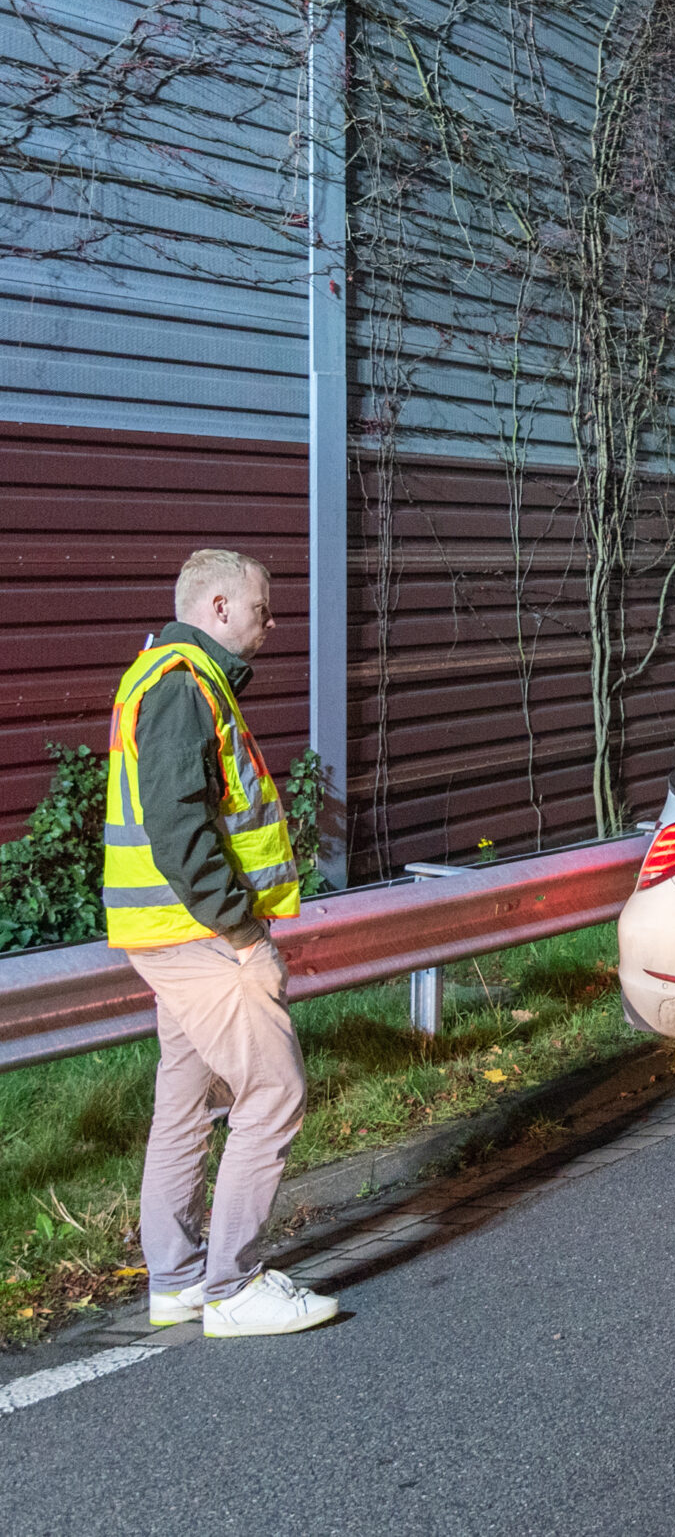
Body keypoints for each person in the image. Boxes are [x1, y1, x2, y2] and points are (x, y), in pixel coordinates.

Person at [107, 550, 339, 1337]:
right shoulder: (182, 685)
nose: (272, 624)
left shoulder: (167, 675)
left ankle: (174, 1280)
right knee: (274, 1092)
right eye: (263, 611)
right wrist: (245, 932)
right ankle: (232, 1288)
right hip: (201, 935)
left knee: (185, 1102)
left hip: (172, 934)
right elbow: (181, 832)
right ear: (217, 605)